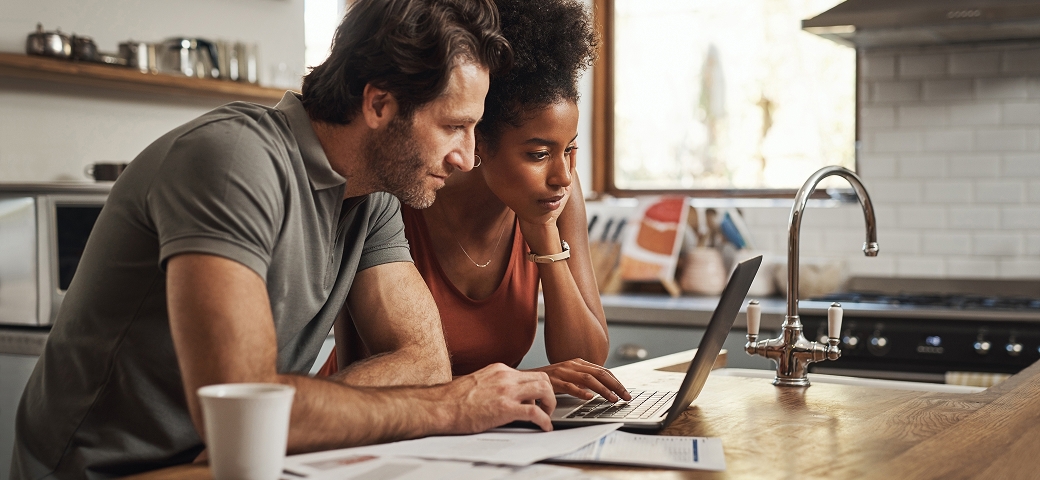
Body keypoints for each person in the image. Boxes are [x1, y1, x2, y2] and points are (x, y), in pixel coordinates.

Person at [10, 1, 558, 479]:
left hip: (237, 461)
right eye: (453, 126)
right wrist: (447, 408)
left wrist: (293, 416)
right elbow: (245, 410)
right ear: (379, 105)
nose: (466, 157)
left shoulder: (373, 196)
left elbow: (423, 362)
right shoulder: (233, 161)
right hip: (112, 471)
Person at [319, 0, 631, 404]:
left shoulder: (557, 201)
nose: (563, 176)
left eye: (569, 150)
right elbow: (371, 368)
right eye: (538, 154)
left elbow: (586, 362)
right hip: (371, 421)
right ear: (477, 138)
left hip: (478, 430)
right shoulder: (398, 195)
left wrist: (543, 236)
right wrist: (524, 381)